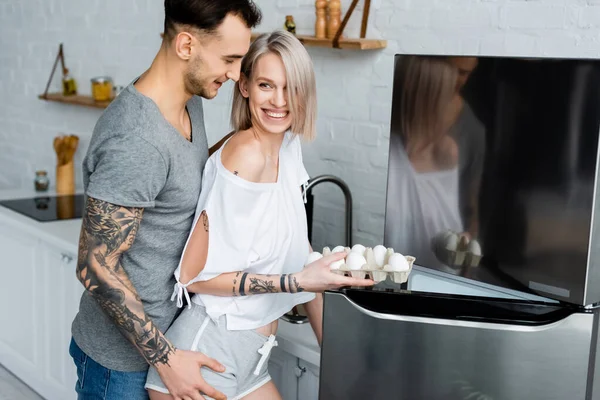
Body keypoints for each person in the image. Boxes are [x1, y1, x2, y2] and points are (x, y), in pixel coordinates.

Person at [144, 30, 374, 400]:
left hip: (252, 361)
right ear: (246, 85)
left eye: (290, 88)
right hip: (208, 353)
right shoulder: (244, 156)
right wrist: (295, 282)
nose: (279, 101)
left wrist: (338, 360)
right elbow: (195, 277)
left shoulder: (287, 146)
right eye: (267, 85)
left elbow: (303, 256)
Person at [69, 2, 262, 400]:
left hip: (169, 338)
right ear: (186, 45)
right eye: (228, 59)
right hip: (121, 365)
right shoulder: (136, 139)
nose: (234, 73)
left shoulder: (189, 99)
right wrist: (167, 358)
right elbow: (94, 265)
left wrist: (259, 133)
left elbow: (179, 177)